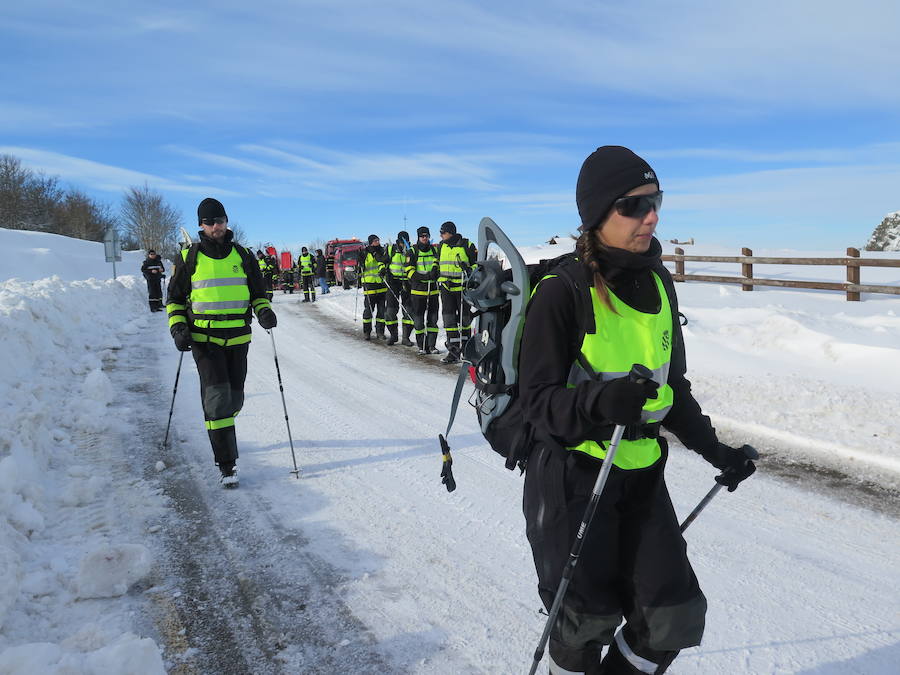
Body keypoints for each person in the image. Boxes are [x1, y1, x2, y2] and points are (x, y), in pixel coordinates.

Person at [518, 146, 756, 674]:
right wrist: (600, 401)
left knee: (672, 617)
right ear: (597, 213)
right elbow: (537, 402)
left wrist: (716, 450)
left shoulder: (659, 282)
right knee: (585, 623)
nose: (650, 217)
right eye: (633, 205)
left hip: (642, 471)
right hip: (575, 474)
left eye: (656, 201)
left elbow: (674, 389)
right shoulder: (563, 290)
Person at [166, 197, 277, 487]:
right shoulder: (189, 256)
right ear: (201, 225)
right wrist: (178, 327)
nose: (216, 226)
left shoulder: (243, 255)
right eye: (209, 222)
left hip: (238, 338)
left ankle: (223, 432)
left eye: (219, 220)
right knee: (217, 401)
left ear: (226, 221)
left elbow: (258, 293)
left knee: (234, 399)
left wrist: (264, 311)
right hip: (205, 340)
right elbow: (174, 299)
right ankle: (227, 465)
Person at [436, 221, 477, 363]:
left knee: (464, 321)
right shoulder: (441, 246)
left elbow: (477, 265)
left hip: (461, 288)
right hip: (446, 288)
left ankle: (466, 350)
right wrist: (435, 271)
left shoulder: (467, 245)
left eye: (443, 233)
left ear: (450, 232)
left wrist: (469, 269)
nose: (441, 235)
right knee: (449, 321)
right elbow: (437, 262)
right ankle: (453, 352)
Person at [405, 226, 440, 354]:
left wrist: (436, 272)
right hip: (418, 292)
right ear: (418, 237)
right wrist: (424, 277)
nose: (424, 238)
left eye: (426, 236)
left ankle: (432, 345)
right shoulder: (412, 251)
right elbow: (409, 272)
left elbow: (438, 264)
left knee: (433, 320)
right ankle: (422, 346)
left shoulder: (434, 250)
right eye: (422, 236)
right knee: (419, 321)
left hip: (433, 291)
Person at [384, 230, 415, 346]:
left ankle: (406, 337)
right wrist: (383, 270)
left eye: (406, 240)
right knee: (390, 312)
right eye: (402, 241)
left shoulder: (411, 250)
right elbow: (383, 261)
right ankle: (393, 335)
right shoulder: (391, 249)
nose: (404, 243)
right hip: (393, 282)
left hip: (407, 283)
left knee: (409, 311)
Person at [357, 234, 388, 341]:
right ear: (370, 242)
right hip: (369, 285)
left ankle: (380, 332)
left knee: (381, 312)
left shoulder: (382, 251)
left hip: (381, 285)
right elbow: (359, 269)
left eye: (378, 240)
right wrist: (359, 265)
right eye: (375, 241)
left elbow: (385, 262)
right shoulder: (364, 252)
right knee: (368, 311)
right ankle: (367, 332)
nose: (377, 242)